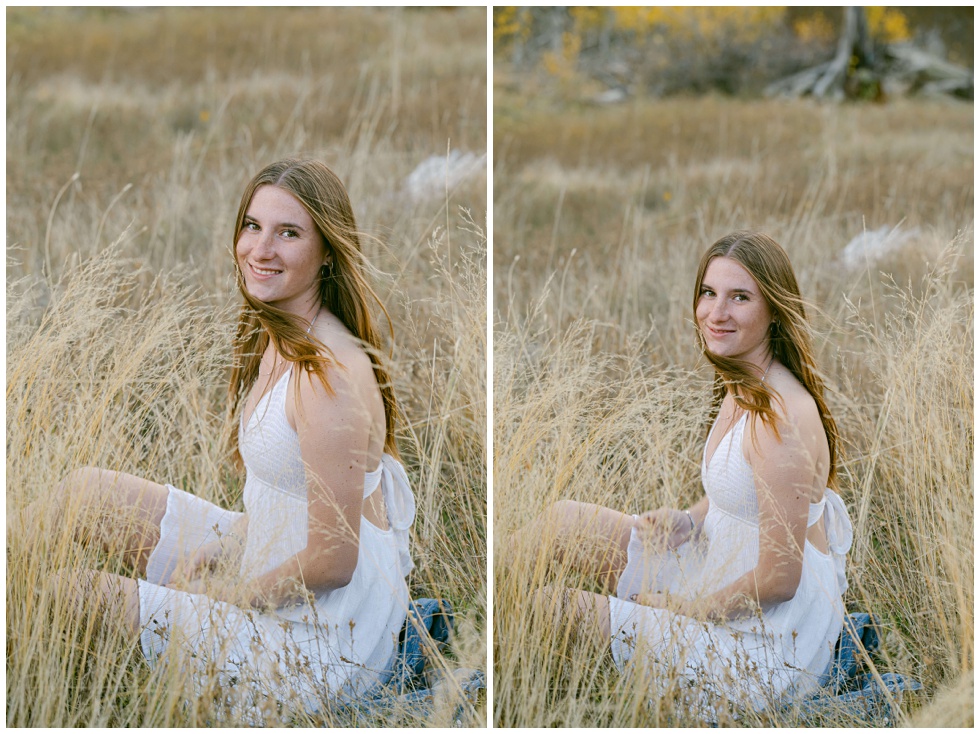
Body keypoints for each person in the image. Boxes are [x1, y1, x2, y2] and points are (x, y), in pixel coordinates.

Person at [13, 158, 417, 718]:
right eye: (252, 225)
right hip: (277, 553)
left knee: (71, 593)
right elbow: (294, 499)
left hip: (326, 642)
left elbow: (332, 560)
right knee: (83, 493)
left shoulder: (328, 378)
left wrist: (223, 595)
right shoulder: (280, 331)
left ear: (327, 251)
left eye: (289, 233)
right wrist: (221, 549)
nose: (261, 249)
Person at [526, 231, 853, 714]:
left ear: (774, 310)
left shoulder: (779, 418)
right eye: (708, 292)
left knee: (549, 607)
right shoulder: (742, 379)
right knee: (560, 521)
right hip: (717, 562)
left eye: (739, 297)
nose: (716, 313)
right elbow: (744, 493)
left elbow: (780, 578)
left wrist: (680, 609)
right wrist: (690, 518)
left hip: (765, 645)